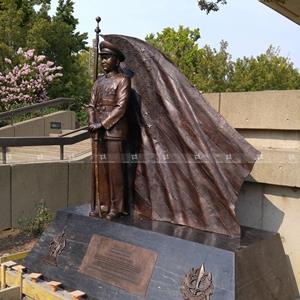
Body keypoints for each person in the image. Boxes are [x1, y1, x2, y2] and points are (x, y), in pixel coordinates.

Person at [88, 40, 131, 220]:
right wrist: (92, 122)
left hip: (114, 132)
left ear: (116, 60)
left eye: (107, 58)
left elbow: (121, 108)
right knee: (101, 171)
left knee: (115, 172)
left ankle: (117, 207)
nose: (104, 61)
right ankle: (103, 206)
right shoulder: (98, 82)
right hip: (98, 133)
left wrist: (102, 124)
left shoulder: (123, 80)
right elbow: (91, 105)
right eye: (102, 58)